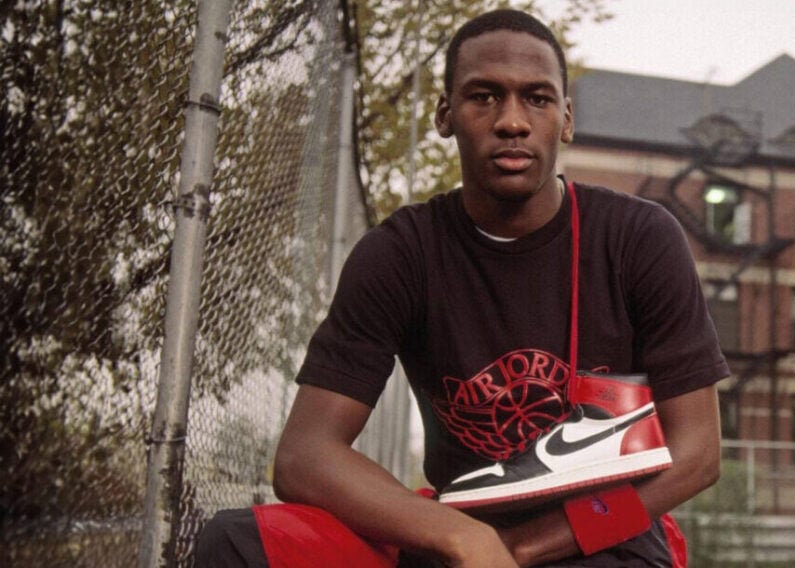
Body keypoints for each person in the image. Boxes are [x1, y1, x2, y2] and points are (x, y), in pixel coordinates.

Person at [195, 8, 727, 567]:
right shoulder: (400, 253)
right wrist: (462, 538)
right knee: (236, 543)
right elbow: (304, 456)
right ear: (445, 114)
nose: (512, 121)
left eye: (537, 99)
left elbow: (696, 456)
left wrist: (517, 552)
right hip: (456, 531)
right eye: (484, 96)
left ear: (566, 120)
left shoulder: (636, 237)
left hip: (600, 532)